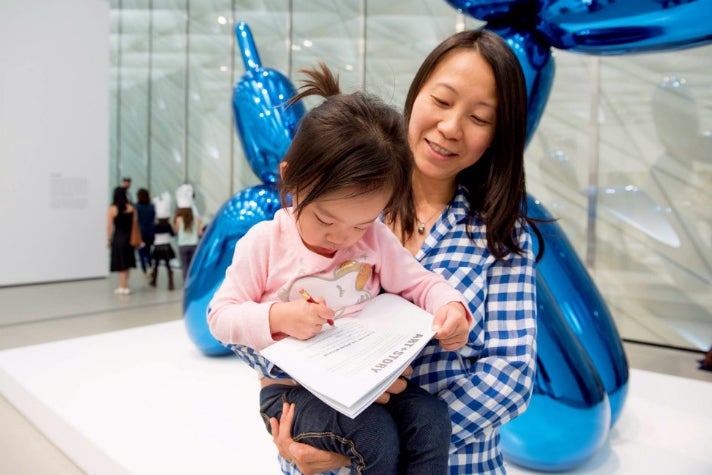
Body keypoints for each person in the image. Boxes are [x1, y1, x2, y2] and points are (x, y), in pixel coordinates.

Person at [269, 29, 540, 475]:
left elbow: (509, 375)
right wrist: (301, 423)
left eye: (479, 118)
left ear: (497, 134)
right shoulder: (333, 204)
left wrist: (386, 445)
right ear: (416, 96)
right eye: (443, 100)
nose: (451, 128)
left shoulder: (499, 230)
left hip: (453, 462)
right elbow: (249, 316)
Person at [207, 63, 473, 475]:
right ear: (290, 179)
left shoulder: (375, 239)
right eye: (327, 220)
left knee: (431, 418)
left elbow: (420, 281)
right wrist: (278, 316)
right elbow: (219, 317)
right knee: (375, 438)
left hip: (367, 380)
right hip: (293, 392)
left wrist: (451, 306)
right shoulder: (265, 242)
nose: (343, 238)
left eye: (362, 222)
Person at [107, 186, 137, 295]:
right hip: (129, 238)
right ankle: (126, 285)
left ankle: (122, 285)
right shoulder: (131, 208)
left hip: (118, 237)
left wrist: (108, 239)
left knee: (120, 263)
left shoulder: (112, 209)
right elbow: (135, 224)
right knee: (127, 262)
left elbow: (109, 226)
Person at [174, 184, 203, 285]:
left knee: (185, 266)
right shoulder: (197, 219)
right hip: (194, 245)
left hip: (182, 245)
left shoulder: (178, 219)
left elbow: (176, 231)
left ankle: (186, 284)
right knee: (192, 266)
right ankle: (193, 284)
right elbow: (200, 233)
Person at [150, 192, 177, 290]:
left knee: (156, 265)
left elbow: (152, 236)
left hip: (157, 247)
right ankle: (171, 283)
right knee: (168, 266)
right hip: (166, 247)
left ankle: (154, 281)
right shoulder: (168, 226)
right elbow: (173, 234)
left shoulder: (155, 226)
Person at [135, 188, 156, 277]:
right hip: (150, 231)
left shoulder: (136, 206)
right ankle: (151, 266)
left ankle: (144, 271)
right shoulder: (152, 206)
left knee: (141, 252)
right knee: (148, 250)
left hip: (140, 232)